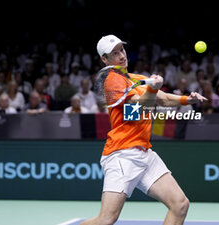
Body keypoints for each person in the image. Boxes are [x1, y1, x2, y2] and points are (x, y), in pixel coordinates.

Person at [80, 34, 207, 225]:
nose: (121, 56)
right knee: (106, 219)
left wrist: (186, 99)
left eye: (121, 50)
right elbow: (141, 106)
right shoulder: (113, 80)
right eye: (114, 54)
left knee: (180, 205)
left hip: (144, 153)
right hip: (122, 154)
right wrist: (153, 89)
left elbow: (162, 98)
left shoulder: (136, 79)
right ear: (104, 60)